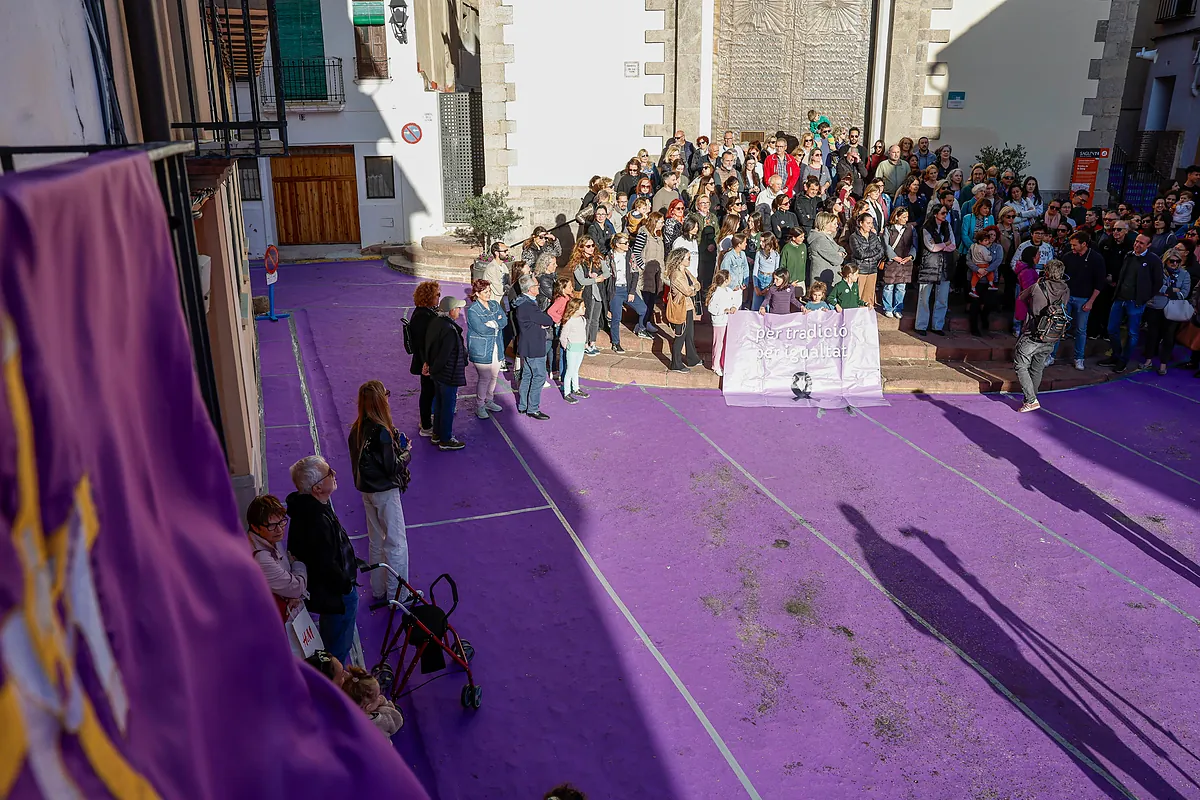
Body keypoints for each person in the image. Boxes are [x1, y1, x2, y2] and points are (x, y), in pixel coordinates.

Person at [286, 455, 359, 664]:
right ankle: (336, 684)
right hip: (336, 594)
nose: (334, 475)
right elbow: (325, 563)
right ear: (317, 488)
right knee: (338, 646)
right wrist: (346, 586)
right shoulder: (315, 519)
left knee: (333, 639)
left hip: (330, 593)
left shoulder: (309, 509)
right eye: (329, 473)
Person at [348, 380, 412, 606]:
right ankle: (399, 595)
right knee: (396, 543)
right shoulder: (382, 432)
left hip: (367, 490)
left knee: (376, 541)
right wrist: (406, 453)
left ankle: (378, 588)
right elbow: (392, 466)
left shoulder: (356, 429)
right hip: (384, 491)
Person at [1100, 232, 1163, 373]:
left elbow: (1158, 282)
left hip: (1136, 302)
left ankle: (1123, 360)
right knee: (1111, 329)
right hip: (1120, 298)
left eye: (1141, 243)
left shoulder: (1153, 260)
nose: (1137, 245)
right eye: (1136, 241)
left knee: (1132, 333)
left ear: (1149, 245)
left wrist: (1144, 298)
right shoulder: (1129, 255)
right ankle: (1116, 355)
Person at [1013, 259, 1070, 413]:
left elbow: (1021, 297)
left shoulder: (1037, 286)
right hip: (1052, 334)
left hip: (1033, 331)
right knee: (1037, 368)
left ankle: (1031, 400)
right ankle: (1031, 397)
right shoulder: (1066, 289)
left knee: (1021, 364)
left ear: (1046, 272)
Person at [246, 494, 308, 622]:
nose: (279, 529)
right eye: (272, 526)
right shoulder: (261, 559)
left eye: (282, 522)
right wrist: (298, 565)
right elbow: (297, 587)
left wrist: (290, 592)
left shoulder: (269, 538)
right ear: (255, 527)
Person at [423, 296, 468, 450]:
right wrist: (435, 368)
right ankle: (446, 439)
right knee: (448, 407)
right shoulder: (450, 330)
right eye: (458, 308)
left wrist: (430, 366)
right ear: (451, 311)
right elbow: (445, 354)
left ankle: (436, 434)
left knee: (440, 405)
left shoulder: (435, 323)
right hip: (448, 374)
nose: (460, 311)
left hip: (438, 374)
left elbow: (428, 346)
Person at [1141, 250, 1192, 374]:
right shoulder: (1159, 271)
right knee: (1152, 334)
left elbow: (1184, 293)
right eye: (1172, 261)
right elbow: (1156, 286)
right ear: (1166, 260)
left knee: (1168, 337)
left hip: (1174, 310)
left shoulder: (1184, 274)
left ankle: (1163, 364)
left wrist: (1166, 291)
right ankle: (1148, 360)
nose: (1175, 264)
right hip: (1155, 307)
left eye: (1177, 261)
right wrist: (1173, 290)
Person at [513, 274, 555, 419]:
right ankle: (533, 408)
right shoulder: (529, 306)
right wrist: (543, 322)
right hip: (535, 345)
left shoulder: (523, 303)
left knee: (527, 375)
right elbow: (547, 319)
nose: (539, 287)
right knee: (538, 376)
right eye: (537, 286)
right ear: (531, 289)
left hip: (527, 344)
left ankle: (523, 405)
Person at [466, 279, 507, 418]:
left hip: (496, 346)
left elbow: (504, 320)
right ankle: (480, 405)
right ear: (477, 294)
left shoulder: (495, 304)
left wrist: (493, 323)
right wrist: (497, 323)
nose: (489, 294)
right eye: (485, 292)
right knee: (485, 377)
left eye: (489, 291)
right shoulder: (473, 310)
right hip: (481, 349)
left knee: (494, 376)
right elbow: (481, 329)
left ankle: (489, 400)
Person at [916, 205, 956, 336]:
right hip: (929, 265)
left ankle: (937, 325)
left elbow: (953, 245)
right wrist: (945, 244)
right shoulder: (926, 228)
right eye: (943, 213)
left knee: (942, 298)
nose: (945, 215)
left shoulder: (948, 226)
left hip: (945, 266)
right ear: (935, 214)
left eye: (946, 213)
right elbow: (931, 247)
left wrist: (940, 246)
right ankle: (921, 325)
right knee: (924, 297)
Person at [408, 281, 440, 438]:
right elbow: (422, 343)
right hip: (426, 362)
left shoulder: (423, 313)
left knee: (428, 392)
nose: (438, 297)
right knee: (428, 392)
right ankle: (426, 425)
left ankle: (426, 420)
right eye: (436, 295)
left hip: (425, 361)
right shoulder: (423, 316)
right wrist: (427, 363)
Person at [569, 236, 608, 356]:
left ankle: (593, 342)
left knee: (595, 320)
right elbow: (581, 280)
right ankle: (584, 344)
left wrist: (599, 276)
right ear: (581, 247)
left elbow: (607, 272)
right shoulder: (577, 262)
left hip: (598, 294)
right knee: (586, 320)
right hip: (586, 294)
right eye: (588, 246)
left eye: (592, 245)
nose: (591, 248)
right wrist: (595, 279)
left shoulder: (597, 258)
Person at [342, 666, 405, 739]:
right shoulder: (379, 721)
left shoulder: (344, 715)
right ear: (369, 706)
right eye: (378, 696)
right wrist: (385, 704)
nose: (381, 697)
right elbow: (397, 721)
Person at [665, 248, 702, 372]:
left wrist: (693, 287)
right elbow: (688, 291)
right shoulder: (676, 275)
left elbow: (697, 284)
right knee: (680, 336)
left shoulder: (685, 271)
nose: (690, 260)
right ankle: (676, 363)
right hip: (681, 309)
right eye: (688, 258)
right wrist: (693, 288)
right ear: (680, 259)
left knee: (689, 335)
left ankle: (692, 358)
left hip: (688, 307)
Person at [632, 212, 666, 336]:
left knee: (652, 300)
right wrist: (643, 267)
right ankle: (641, 325)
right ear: (654, 221)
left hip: (656, 274)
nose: (663, 224)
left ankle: (646, 323)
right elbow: (636, 253)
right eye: (661, 221)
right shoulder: (643, 234)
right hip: (645, 274)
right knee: (645, 300)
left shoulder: (659, 236)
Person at [881, 207, 915, 318]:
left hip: (905, 262)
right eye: (904, 217)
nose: (906, 219)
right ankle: (888, 307)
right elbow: (886, 245)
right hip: (892, 261)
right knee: (889, 286)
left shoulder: (910, 228)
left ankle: (898, 308)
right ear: (897, 216)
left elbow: (915, 244)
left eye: (907, 217)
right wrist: (894, 257)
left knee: (901, 287)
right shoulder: (888, 229)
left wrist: (910, 256)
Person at [707, 270, 740, 376]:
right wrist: (723, 310)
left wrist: (734, 306)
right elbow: (711, 307)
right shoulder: (717, 293)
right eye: (729, 277)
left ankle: (722, 363)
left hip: (727, 321)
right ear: (726, 280)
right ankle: (715, 365)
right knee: (718, 344)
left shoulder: (728, 290)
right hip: (719, 322)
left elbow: (735, 299)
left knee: (725, 343)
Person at [847, 212, 884, 309]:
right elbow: (860, 254)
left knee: (869, 296)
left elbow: (881, 251)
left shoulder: (873, 236)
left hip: (872, 269)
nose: (870, 225)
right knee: (857, 295)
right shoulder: (854, 237)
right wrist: (873, 253)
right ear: (860, 223)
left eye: (871, 223)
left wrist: (869, 258)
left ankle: (867, 317)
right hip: (860, 270)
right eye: (868, 223)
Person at [558, 297, 589, 402]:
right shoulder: (569, 321)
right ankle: (567, 392)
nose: (585, 309)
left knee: (576, 370)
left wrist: (584, 343)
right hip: (572, 349)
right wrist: (567, 347)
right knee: (570, 371)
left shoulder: (582, 320)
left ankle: (576, 388)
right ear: (575, 309)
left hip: (580, 348)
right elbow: (563, 337)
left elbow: (583, 333)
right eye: (582, 307)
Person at [808, 211, 846, 288]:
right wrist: (839, 254)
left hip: (829, 279)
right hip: (823, 282)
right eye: (834, 223)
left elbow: (841, 248)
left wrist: (841, 253)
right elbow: (837, 260)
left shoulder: (828, 237)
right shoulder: (820, 240)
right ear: (825, 224)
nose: (837, 225)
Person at [752, 232, 782, 310]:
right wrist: (756, 286)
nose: (761, 243)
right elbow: (755, 270)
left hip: (770, 279)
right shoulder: (759, 253)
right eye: (760, 241)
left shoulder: (776, 255)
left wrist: (769, 287)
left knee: (768, 305)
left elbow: (776, 272)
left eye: (763, 241)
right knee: (756, 304)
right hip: (760, 278)